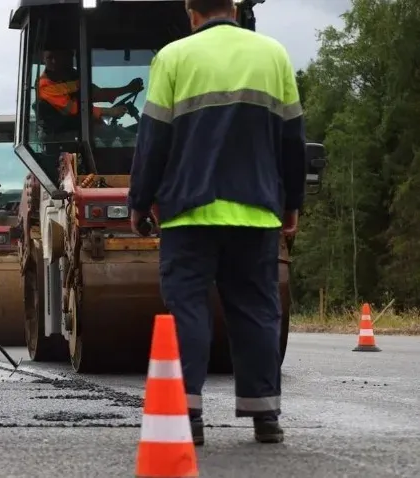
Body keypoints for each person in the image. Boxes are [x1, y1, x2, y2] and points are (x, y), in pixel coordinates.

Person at [127, 0, 306, 446]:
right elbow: (292, 140)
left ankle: (187, 415)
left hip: (189, 212)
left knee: (189, 310)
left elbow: (153, 140)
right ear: (235, 7)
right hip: (257, 209)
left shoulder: (172, 57)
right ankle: (265, 416)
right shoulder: (273, 55)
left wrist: (140, 200)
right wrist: (291, 200)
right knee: (258, 310)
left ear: (192, 12)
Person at [36, 49, 144, 140]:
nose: (55, 61)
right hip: (65, 134)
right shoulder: (44, 85)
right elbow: (73, 109)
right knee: (123, 136)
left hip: (84, 126)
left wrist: (128, 88)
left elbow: (95, 93)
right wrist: (110, 112)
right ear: (43, 59)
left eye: (59, 57)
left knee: (125, 134)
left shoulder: (70, 75)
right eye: (50, 58)